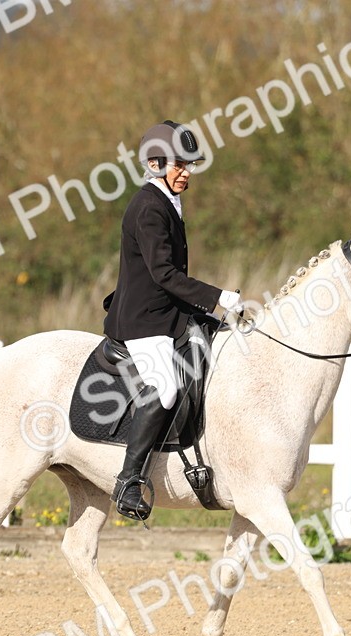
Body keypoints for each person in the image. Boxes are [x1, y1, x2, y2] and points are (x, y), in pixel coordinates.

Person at [102, 120, 243, 521]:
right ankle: (129, 481)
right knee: (165, 386)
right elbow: (164, 274)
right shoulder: (148, 207)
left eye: (190, 165)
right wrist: (218, 298)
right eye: (179, 165)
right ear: (155, 163)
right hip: (142, 320)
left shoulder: (167, 200)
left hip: (167, 312)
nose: (186, 172)